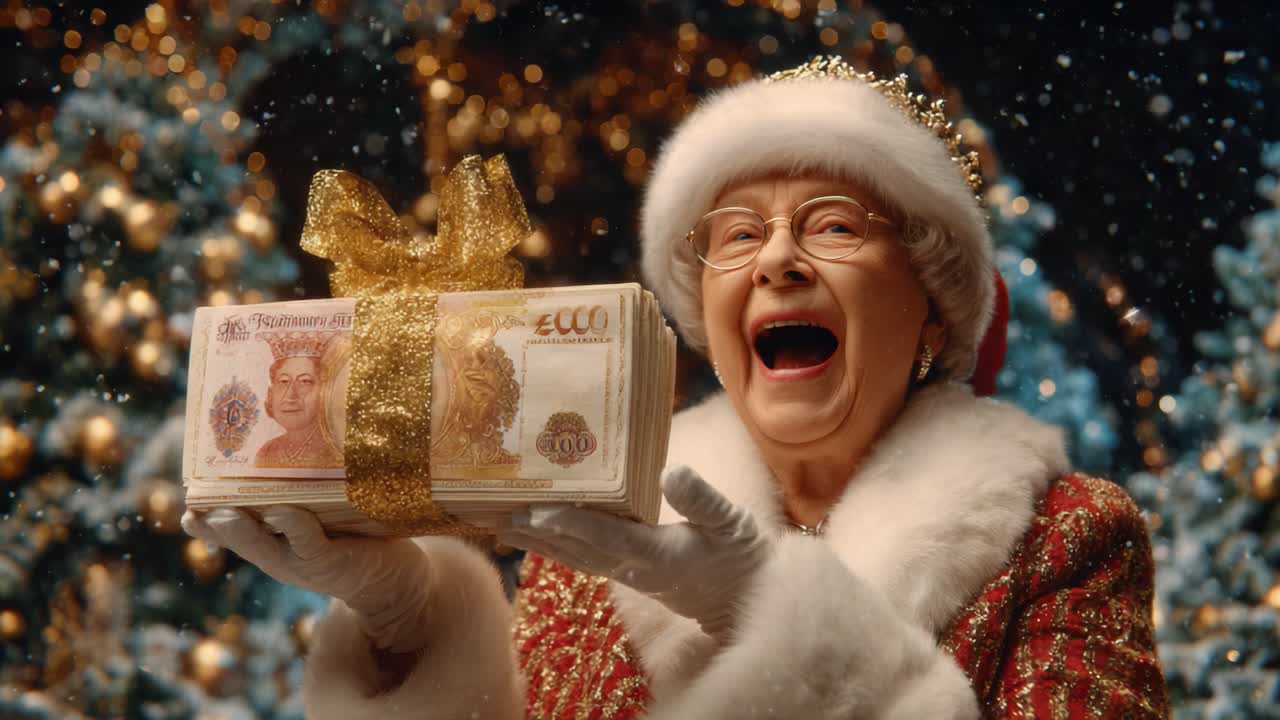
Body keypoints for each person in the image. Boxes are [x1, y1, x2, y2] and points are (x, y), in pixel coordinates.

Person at [183, 56, 1169, 718]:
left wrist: (778, 620)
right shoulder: (594, 546)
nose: (775, 260)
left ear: (933, 312)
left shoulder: (1066, 540)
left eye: (830, 224)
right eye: (736, 236)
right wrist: (407, 627)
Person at [254, 330, 344, 469]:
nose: (290, 395)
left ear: (324, 391)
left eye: (304, 382)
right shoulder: (267, 451)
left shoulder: (335, 450)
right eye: (283, 381)